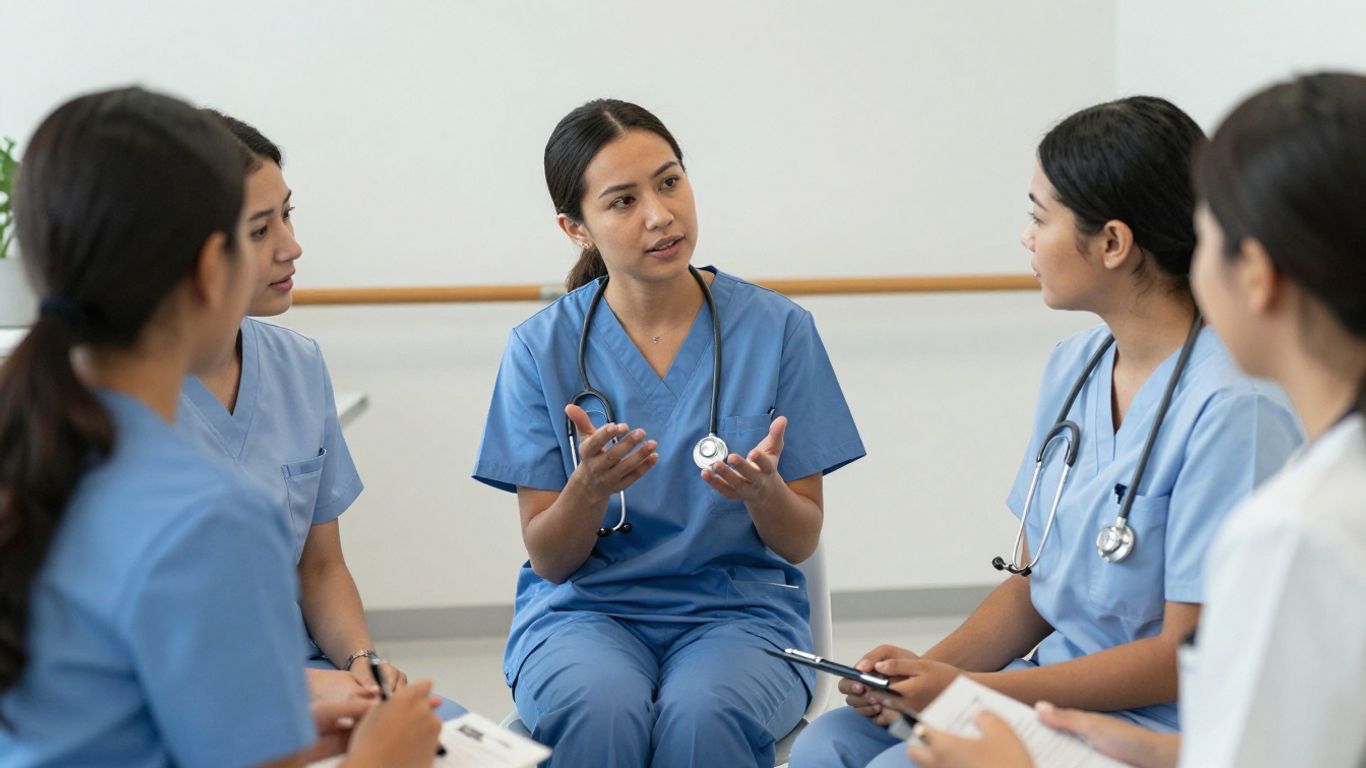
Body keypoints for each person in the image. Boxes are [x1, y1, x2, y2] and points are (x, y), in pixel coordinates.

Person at [790, 96, 1303, 768]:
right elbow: (1034, 586)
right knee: (830, 742)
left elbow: (1187, 655)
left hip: (1160, 724)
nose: (1026, 239)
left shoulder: (1236, 405)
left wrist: (976, 688)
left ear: (1114, 243)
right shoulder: (1077, 367)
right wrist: (915, 676)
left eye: (1040, 217)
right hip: (1048, 691)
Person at [906, 71, 1366, 768]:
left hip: (1124, 712)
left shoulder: (1289, 524)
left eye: (1206, 236)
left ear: (1258, 274)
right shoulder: (1078, 367)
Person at [0, 87, 439, 767]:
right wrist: (380, 759)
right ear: (212, 266)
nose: (285, 247)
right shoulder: (208, 520)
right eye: (256, 232)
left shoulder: (34, 441)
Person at [473, 98, 865, 767]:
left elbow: (800, 538)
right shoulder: (541, 350)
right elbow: (550, 559)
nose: (660, 214)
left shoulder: (777, 331)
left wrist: (765, 492)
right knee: (599, 710)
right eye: (623, 201)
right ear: (577, 228)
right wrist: (588, 490)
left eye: (669, 181)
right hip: (585, 612)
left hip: (740, 614)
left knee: (701, 718)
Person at [176, 111, 436, 710]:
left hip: (304, 674)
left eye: (287, 216)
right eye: (260, 230)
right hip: (199, 696)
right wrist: (310, 690)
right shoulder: (120, 404)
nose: (292, 247)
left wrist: (362, 664)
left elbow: (319, 568)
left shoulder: (296, 366)